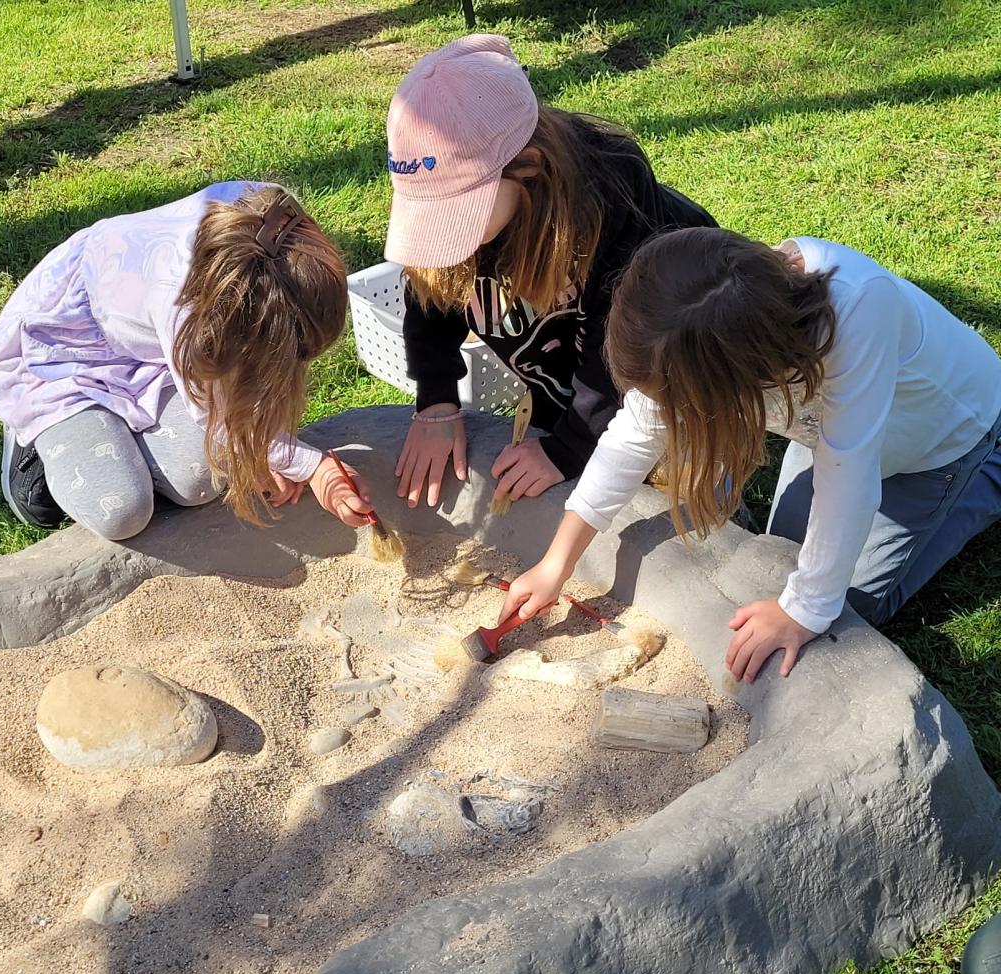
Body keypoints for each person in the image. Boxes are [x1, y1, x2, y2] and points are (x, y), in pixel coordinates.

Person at [500, 228, 1001, 682]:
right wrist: (556, 563)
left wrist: (805, 610)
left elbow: (849, 476)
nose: (673, 414)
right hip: (827, 435)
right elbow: (635, 432)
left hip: (941, 444)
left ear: (739, 377)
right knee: (782, 561)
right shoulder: (712, 323)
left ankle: (988, 474)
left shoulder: (861, 309)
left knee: (847, 607)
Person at [383, 33, 716, 510]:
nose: (447, 239)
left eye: (456, 213)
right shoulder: (492, 203)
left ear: (529, 168)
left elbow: (623, 354)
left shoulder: (618, 215)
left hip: (671, 382)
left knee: (675, 493)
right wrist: (436, 399)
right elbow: (429, 286)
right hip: (567, 381)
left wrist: (570, 446)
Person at [0, 181, 373, 540]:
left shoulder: (280, 228)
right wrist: (312, 466)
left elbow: (237, 382)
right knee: (122, 511)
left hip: (151, 354)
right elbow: (213, 412)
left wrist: (264, 449)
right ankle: (32, 442)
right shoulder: (184, 299)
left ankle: (124, 438)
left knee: (198, 482)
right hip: (65, 359)